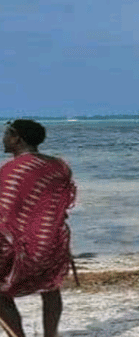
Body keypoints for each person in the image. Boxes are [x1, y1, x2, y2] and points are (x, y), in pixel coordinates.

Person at [0, 120, 76, 337]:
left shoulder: (12, 170)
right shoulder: (59, 166)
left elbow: (4, 212)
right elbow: (60, 205)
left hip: (20, 245)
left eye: (6, 134)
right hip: (52, 240)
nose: (3, 139)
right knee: (51, 288)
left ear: (17, 138)